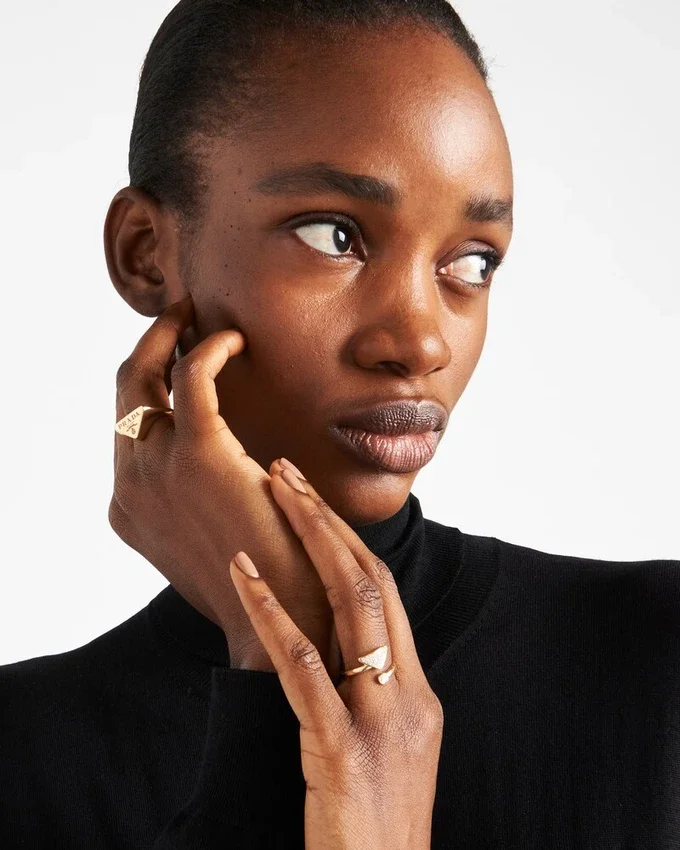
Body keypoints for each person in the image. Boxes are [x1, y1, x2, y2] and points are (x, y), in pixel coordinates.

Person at [1, 1, 678, 847]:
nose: (422, 343)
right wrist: (274, 654)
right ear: (147, 252)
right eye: (336, 236)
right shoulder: (23, 759)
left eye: (472, 261)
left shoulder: (657, 661)